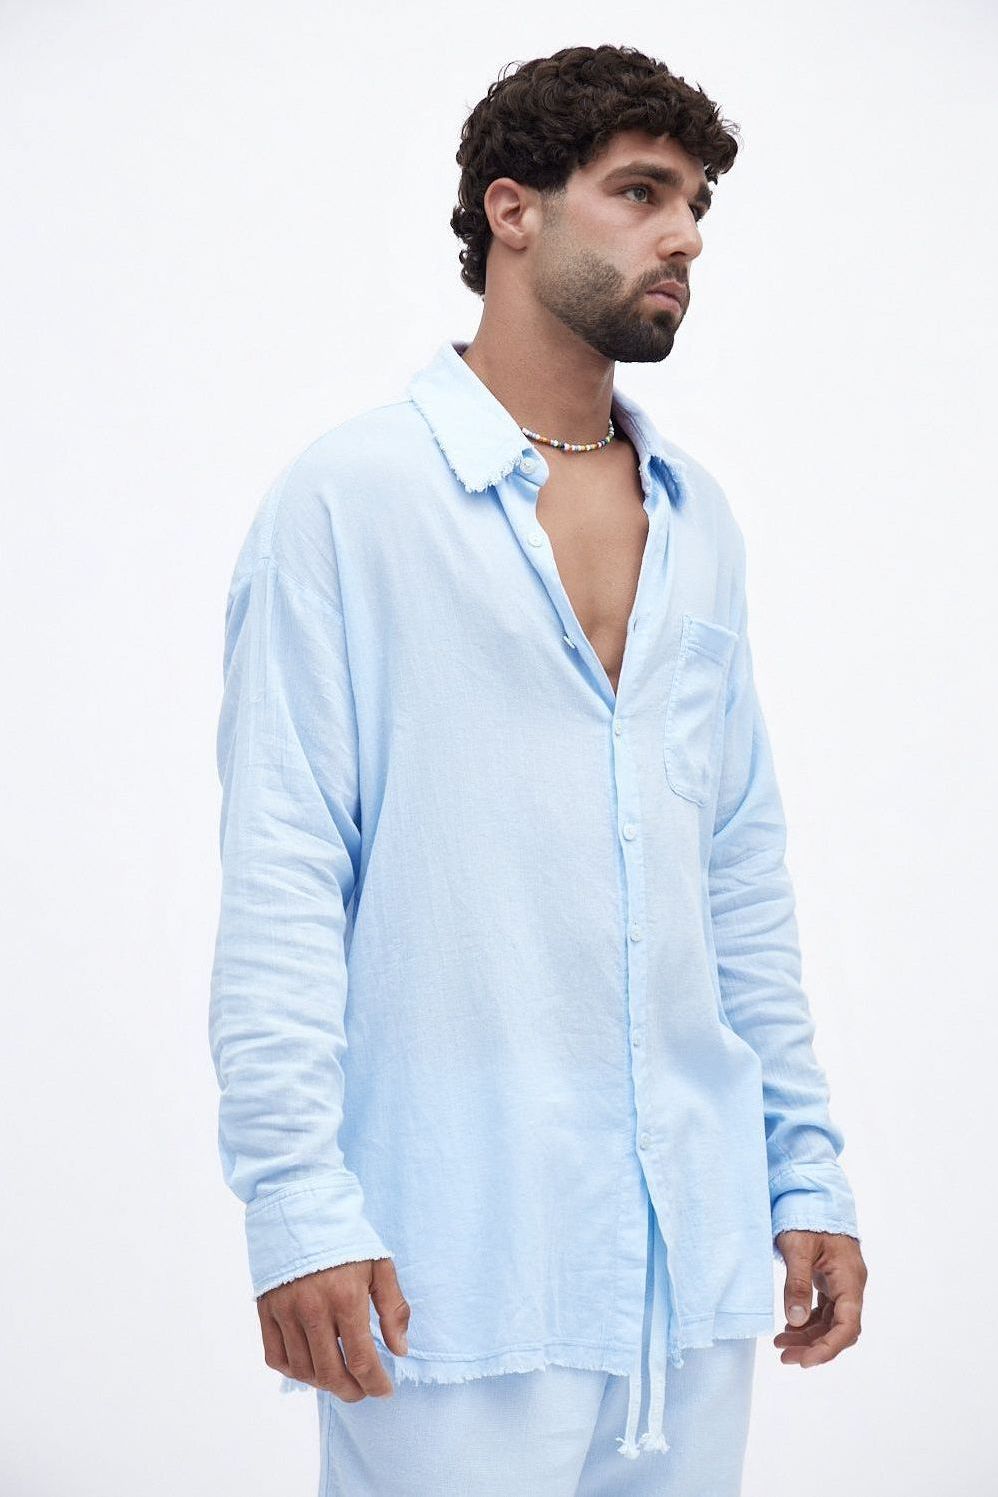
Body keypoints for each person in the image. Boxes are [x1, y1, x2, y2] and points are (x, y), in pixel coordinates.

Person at [208, 42, 867, 1496]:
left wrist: (803, 1169)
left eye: (694, 205)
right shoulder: (353, 500)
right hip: (449, 1266)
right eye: (640, 192)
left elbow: (736, 871)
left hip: (690, 1271)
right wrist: (296, 1205)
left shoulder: (698, 520)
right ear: (513, 210)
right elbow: (284, 868)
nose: (684, 236)